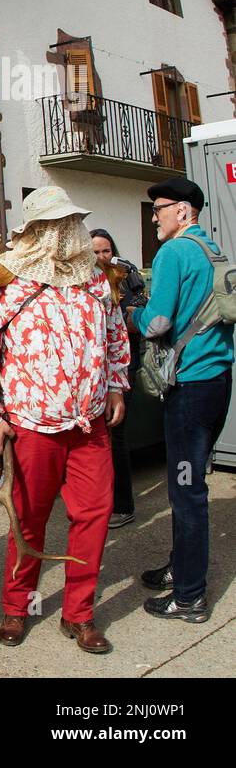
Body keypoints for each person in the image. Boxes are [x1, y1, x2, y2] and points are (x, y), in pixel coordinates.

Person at [0, 186, 128, 654]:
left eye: (69, 223)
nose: (66, 233)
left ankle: (80, 615)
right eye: (56, 226)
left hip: (89, 423)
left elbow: (116, 337)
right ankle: (17, 608)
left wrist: (116, 384)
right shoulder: (5, 283)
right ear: (36, 232)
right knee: (28, 518)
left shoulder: (98, 280)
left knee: (94, 515)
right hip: (32, 425)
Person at [128, 177, 234, 624]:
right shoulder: (213, 249)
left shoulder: (173, 252)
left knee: (186, 491)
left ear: (184, 211)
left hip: (188, 389)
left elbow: (156, 324)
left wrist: (129, 311)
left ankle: (189, 596)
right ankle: (180, 568)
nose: (154, 217)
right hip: (217, 382)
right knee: (187, 483)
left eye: (160, 209)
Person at [89, 227, 149, 528]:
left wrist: (122, 313)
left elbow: (139, 317)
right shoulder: (84, 277)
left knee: (115, 436)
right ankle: (99, 501)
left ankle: (123, 506)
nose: (101, 257)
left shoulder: (126, 273)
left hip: (121, 366)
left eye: (106, 251)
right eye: (96, 252)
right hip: (92, 370)